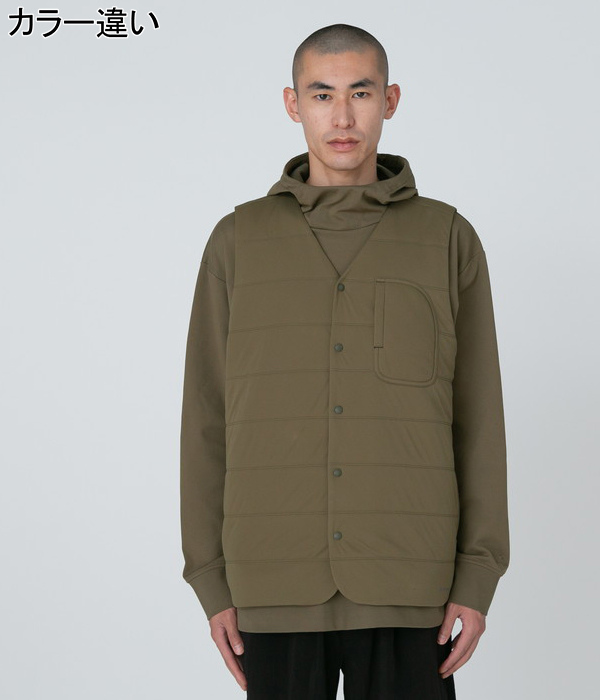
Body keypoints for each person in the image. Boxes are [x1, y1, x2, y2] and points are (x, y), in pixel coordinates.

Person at [180, 23, 510, 700]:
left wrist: (477, 575)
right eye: (321, 94)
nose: (341, 116)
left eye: (359, 93)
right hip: (272, 582)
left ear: (390, 100)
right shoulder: (237, 242)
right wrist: (210, 578)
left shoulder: (446, 238)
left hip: (408, 581)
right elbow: (206, 418)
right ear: (292, 104)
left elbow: (479, 419)